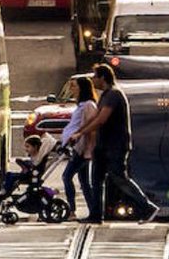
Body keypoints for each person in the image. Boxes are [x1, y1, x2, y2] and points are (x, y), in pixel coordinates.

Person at [71, 63, 159, 224]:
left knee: (119, 177)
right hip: (102, 145)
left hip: (115, 145)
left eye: (95, 77)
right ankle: (96, 214)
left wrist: (81, 133)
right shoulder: (105, 95)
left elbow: (101, 119)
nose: (93, 80)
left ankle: (147, 207)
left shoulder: (114, 94)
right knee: (96, 180)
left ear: (103, 77)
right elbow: (94, 118)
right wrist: (77, 132)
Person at [59, 76, 98, 220]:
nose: (72, 89)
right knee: (84, 182)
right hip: (77, 148)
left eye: (74, 86)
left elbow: (91, 128)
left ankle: (72, 211)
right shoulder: (81, 106)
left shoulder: (89, 105)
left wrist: (88, 151)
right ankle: (94, 210)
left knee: (67, 176)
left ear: (82, 88)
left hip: (81, 149)